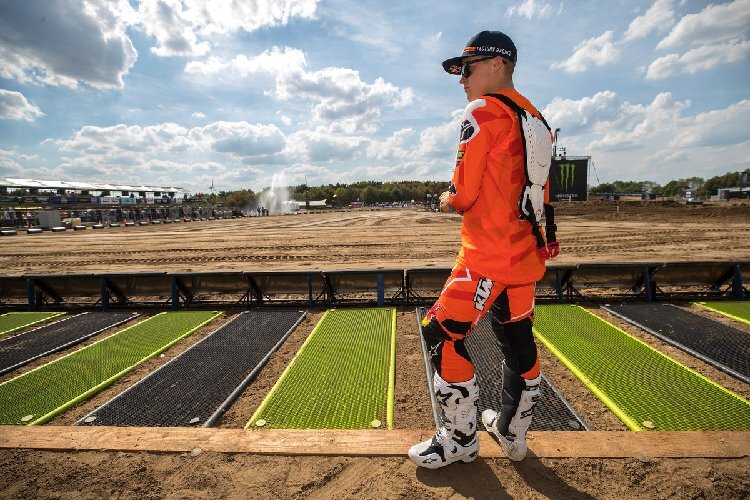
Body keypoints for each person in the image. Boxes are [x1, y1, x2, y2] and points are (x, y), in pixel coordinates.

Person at [408, 30, 558, 469]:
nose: (462, 80)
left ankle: (458, 440)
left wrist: (446, 197)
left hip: (485, 255)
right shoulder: (536, 117)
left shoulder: (483, 111)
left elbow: (464, 194)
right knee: (517, 337)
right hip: (525, 256)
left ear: (497, 64)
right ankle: (512, 431)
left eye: (467, 69)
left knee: (440, 332)